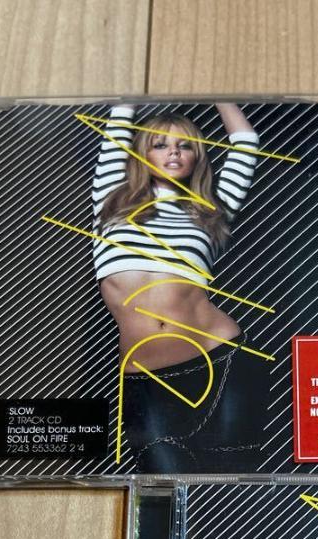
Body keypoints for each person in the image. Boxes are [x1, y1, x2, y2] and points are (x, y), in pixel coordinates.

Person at [92, 102, 269, 471]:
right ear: (141, 154)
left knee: (235, 488)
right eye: (160, 144)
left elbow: (245, 141)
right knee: (162, 489)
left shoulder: (211, 209)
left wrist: (218, 89)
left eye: (184, 146)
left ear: (196, 157)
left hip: (223, 359)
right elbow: (122, 109)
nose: (173, 152)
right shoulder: (111, 199)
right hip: (147, 378)